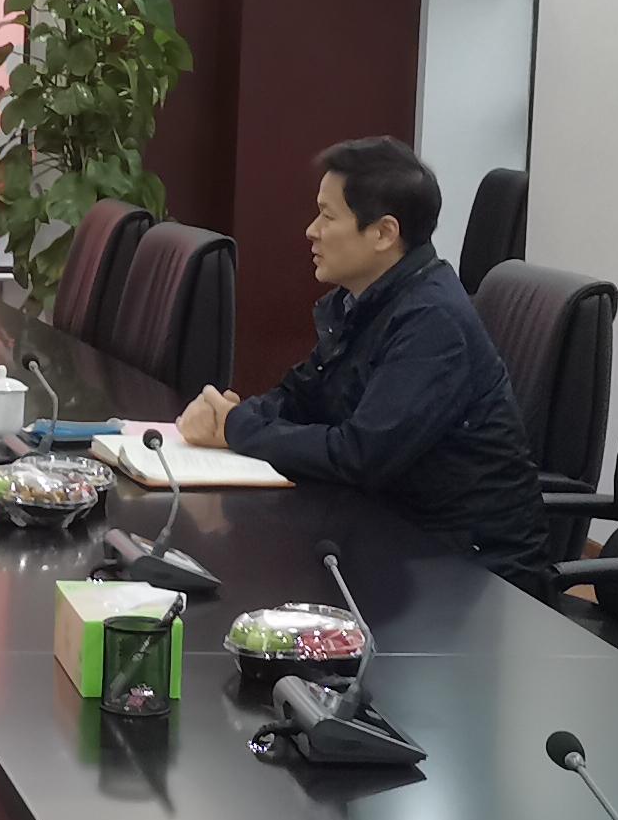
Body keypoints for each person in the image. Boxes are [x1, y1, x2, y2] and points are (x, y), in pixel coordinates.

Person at [178, 137, 552, 595]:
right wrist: (236, 415)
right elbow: (301, 394)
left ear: (383, 233)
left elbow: (360, 455)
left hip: (473, 574)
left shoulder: (433, 322)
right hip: (396, 537)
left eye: (328, 216)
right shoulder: (363, 301)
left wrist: (236, 428)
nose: (311, 231)